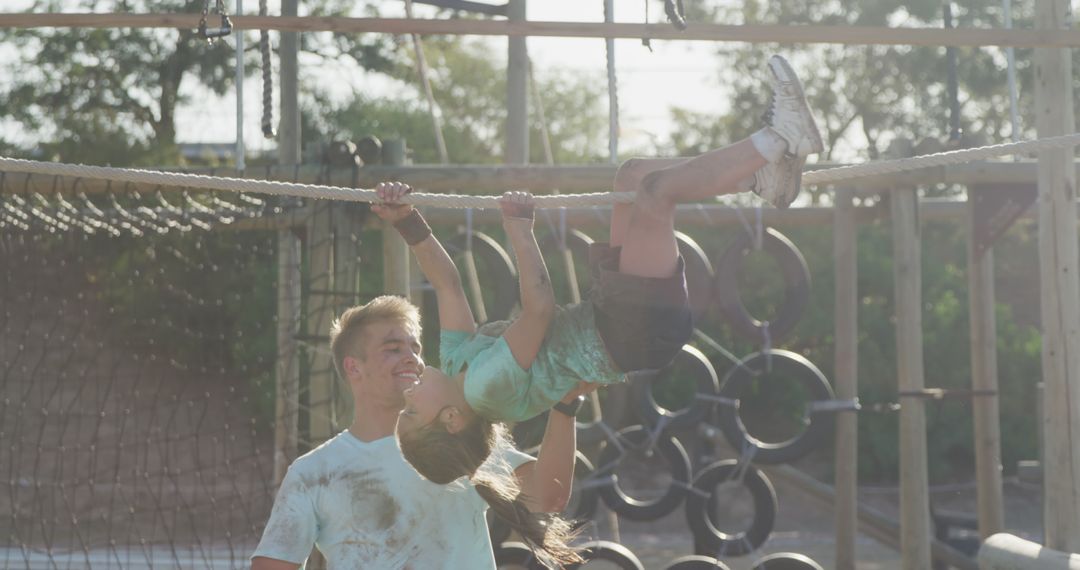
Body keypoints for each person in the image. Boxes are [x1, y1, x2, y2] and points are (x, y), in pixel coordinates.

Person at [389, 49, 823, 535]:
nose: (406, 391)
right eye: (410, 410)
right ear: (450, 420)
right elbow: (538, 308)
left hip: (606, 318)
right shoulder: (485, 387)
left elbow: (447, 283)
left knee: (633, 176)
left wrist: (407, 222)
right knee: (656, 195)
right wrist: (520, 231)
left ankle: (763, 175)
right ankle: (778, 138)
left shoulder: (456, 366)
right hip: (628, 331)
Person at [250, 293, 591, 568]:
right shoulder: (313, 473)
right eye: (393, 348)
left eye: (415, 347)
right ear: (354, 367)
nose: (412, 358)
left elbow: (549, 496)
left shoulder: (454, 434)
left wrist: (565, 406)